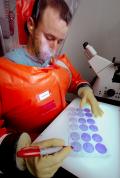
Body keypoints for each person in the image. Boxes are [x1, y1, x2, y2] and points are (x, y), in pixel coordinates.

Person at [0, 0, 103, 177]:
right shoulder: (4, 72)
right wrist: (19, 154)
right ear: (31, 25)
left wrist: (84, 89)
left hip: (67, 145)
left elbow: (74, 79)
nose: (54, 49)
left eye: (60, 40)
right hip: (34, 156)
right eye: (49, 37)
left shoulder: (60, 63)